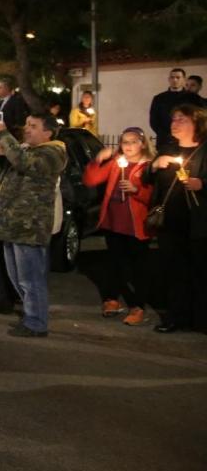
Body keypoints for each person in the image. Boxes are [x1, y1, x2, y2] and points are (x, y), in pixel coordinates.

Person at [0, 113, 67, 337]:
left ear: (48, 132)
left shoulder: (53, 152)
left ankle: (37, 323)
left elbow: (23, 163)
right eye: (26, 124)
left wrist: (3, 133)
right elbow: (7, 159)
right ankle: (31, 316)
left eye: (33, 126)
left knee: (30, 279)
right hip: (13, 226)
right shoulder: (26, 148)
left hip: (29, 227)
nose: (27, 129)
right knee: (17, 277)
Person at [142, 104, 206, 333]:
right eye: (174, 119)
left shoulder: (204, 150)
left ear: (196, 123)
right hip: (170, 222)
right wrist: (154, 166)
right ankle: (176, 317)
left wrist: (202, 184)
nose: (175, 123)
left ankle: (200, 319)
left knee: (200, 271)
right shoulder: (167, 149)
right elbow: (146, 179)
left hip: (199, 223)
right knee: (174, 272)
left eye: (181, 119)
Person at [83, 127, 154, 325]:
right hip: (113, 222)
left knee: (137, 268)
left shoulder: (148, 166)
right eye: (125, 142)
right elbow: (91, 179)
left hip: (136, 226)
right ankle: (112, 299)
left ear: (143, 143)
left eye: (133, 141)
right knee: (114, 263)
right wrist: (99, 160)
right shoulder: (116, 163)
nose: (129, 146)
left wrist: (136, 190)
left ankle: (138, 306)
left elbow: (155, 197)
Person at [149, 68, 201, 148]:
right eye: (172, 77)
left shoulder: (192, 98)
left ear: (184, 79)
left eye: (178, 77)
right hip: (164, 141)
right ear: (169, 79)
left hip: (187, 140)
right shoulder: (159, 98)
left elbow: (196, 119)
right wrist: (167, 135)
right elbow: (154, 121)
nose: (175, 80)